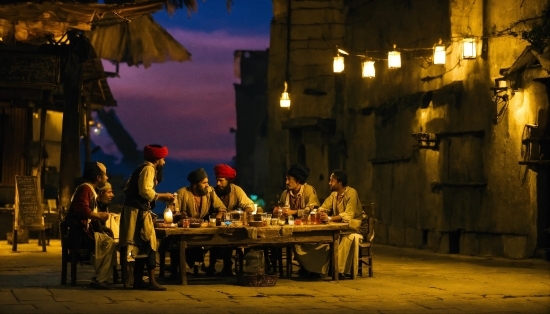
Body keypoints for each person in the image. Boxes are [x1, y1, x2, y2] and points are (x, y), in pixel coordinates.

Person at [119, 144, 175, 291]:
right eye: (162, 158)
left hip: (136, 210)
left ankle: (136, 280)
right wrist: (162, 196)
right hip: (136, 212)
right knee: (148, 243)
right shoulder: (148, 169)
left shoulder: (141, 168)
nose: (164, 162)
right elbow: (145, 192)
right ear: (157, 158)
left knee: (142, 244)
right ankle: (149, 280)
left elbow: (128, 187)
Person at [294, 169, 364, 279]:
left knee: (344, 239)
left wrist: (330, 218)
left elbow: (348, 215)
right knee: (320, 242)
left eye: (332, 180)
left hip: (353, 226)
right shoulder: (333, 195)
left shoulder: (351, 193)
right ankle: (312, 269)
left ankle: (338, 270)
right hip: (338, 227)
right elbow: (324, 207)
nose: (329, 183)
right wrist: (319, 212)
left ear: (340, 183)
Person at [64, 162, 116, 289]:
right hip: (79, 235)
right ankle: (100, 279)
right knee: (109, 243)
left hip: (83, 233)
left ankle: (101, 276)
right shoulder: (85, 189)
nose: (107, 177)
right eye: (105, 175)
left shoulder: (89, 189)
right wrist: (98, 216)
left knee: (109, 241)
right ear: (98, 177)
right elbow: (81, 210)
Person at [172, 168, 227, 275]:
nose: (207, 185)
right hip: (186, 230)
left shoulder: (209, 191)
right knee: (178, 243)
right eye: (204, 183)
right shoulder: (182, 193)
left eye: (207, 182)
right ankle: (179, 271)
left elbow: (222, 208)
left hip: (203, 228)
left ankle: (212, 268)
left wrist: (217, 219)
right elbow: (173, 212)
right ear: (195, 185)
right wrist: (179, 216)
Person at [206, 164, 254, 276]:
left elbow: (249, 205)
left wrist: (242, 214)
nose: (218, 183)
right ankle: (211, 266)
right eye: (217, 180)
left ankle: (227, 267)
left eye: (221, 181)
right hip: (214, 224)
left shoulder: (236, 190)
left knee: (230, 236)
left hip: (229, 223)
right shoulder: (212, 191)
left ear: (228, 180)